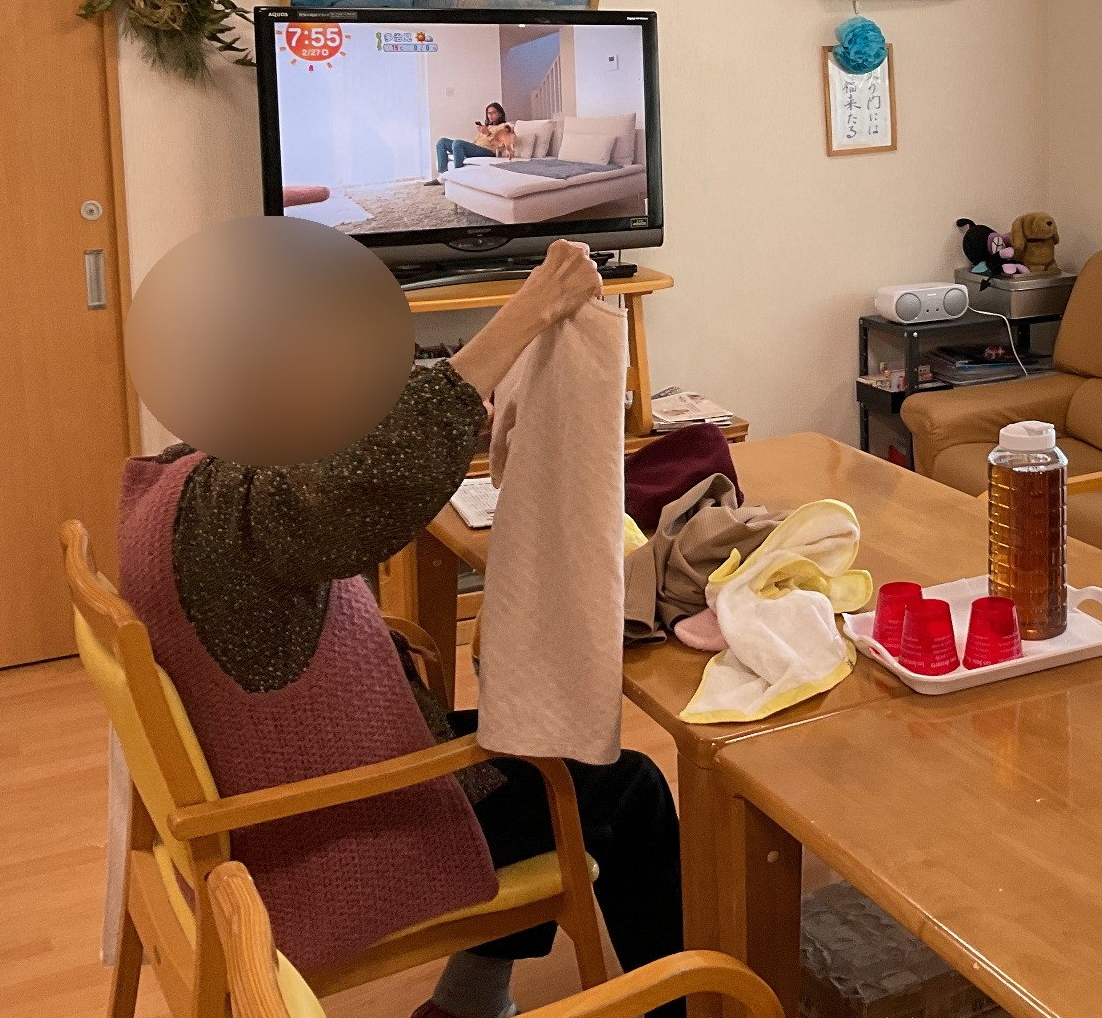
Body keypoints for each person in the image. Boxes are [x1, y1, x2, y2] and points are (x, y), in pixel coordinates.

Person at [119, 234, 682, 1018]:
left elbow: (342, 467)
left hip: (288, 789)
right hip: (326, 830)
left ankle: (470, 1000)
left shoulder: (169, 477)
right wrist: (525, 313)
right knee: (623, 786)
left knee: (526, 743)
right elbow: (352, 485)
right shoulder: (246, 509)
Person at [434, 101, 517, 179]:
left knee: (458, 143)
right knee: (442, 142)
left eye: (493, 113)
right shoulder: (486, 127)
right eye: (488, 113)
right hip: (476, 149)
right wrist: (467, 146)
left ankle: (458, 177)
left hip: (489, 151)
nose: (490, 115)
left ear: (500, 114)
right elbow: (475, 142)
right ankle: (442, 176)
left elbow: (503, 141)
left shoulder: (503, 126)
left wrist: (488, 134)